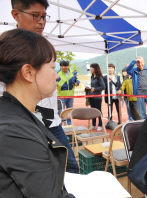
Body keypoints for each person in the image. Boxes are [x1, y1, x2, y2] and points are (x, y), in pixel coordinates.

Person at [0, 28, 136, 198]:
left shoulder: (18, 115)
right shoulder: (15, 129)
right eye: (52, 68)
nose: (56, 75)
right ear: (28, 72)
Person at [8, 0, 80, 174]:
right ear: (16, 14)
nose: (41, 21)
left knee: (71, 169)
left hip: (52, 124)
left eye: (44, 16)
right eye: (35, 15)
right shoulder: (8, 49)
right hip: (23, 126)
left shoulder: (44, 45)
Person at [57, 60, 79, 124]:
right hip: (61, 96)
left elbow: (77, 80)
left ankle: (69, 124)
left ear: (68, 66)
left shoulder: (73, 73)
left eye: (65, 66)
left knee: (69, 111)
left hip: (71, 95)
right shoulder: (57, 73)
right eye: (61, 66)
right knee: (60, 111)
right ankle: (60, 125)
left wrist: (77, 83)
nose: (63, 67)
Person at [86, 63, 105, 130]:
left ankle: (100, 124)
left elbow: (103, 87)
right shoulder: (92, 76)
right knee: (92, 110)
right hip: (91, 96)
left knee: (98, 110)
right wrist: (88, 88)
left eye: (92, 68)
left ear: (95, 68)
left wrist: (95, 89)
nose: (90, 69)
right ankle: (93, 124)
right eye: (90, 67)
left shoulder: (99, 77)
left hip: (97, 97)